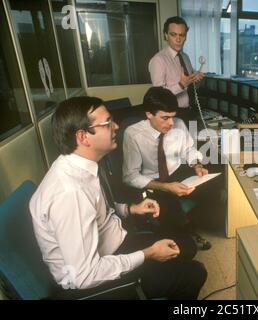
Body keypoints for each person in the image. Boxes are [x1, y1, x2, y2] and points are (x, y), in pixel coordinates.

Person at [29, 96, 206, 299]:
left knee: (187, 246)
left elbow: (96, 213)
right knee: (194, 273)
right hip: (94, 277)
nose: (116, 126)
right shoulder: (70, 193)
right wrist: (148, 253)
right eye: (107, 123)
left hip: (115, 240)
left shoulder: (81, 165)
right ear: (83, 137)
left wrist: (130, 209)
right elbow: (85, 276)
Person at [122, 87, 225, 248]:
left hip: (176, 171)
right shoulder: (133, 134)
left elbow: (188, 149)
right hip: (153, 181)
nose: (171, 123)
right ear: (149, 114)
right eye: (165, 118)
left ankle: (196, 219)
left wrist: (196, 165)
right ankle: (186, 230)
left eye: (173, 117)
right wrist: (165, 187)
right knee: (170, 215)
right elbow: (130, 176)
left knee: (216, 183)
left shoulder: (179, 124)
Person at [148, 16, 204, 123]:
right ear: (166, 36)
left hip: (191, 111)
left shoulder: (185, 57)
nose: (178, 39)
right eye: (173, 34)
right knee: (179, 140)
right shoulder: (158, 60)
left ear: (185, 37)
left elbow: (191, 87)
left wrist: (196, 80)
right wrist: (181, 85)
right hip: (174, 115)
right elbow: (158, 97)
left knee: (192, 139)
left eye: (182, 35)